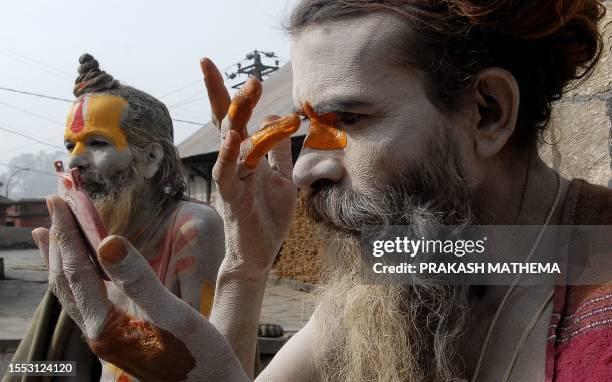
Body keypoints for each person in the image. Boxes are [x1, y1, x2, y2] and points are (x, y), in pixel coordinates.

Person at [34, 1, 611, 381]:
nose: (309, 167)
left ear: (488, 111)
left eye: (350, 120)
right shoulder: (418, 262)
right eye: (309, 125)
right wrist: (246, 265)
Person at [3, 54, 224, 382]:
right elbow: (68, 363)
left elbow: (197, 363)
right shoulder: (85, 237)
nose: (75, 159)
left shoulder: (191, 228)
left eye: (97, 143)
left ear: (150, 158)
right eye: (70, 145)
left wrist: (113, 333)